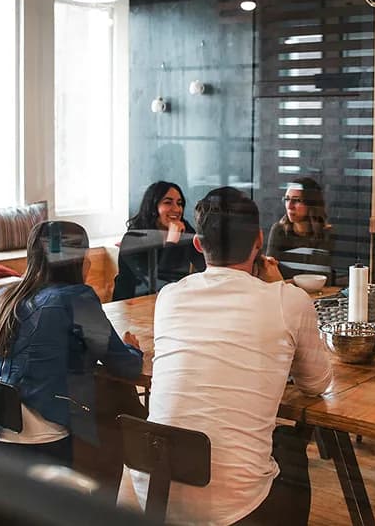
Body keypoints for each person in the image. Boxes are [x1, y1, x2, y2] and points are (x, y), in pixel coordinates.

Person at [131, 187, 332, 525]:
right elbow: (317, 383)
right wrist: (279, 286)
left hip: (155, 494)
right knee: (291, 449)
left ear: (198, 244)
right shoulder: (288, 300)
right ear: (259, 239)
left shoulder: (170, 297)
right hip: (234, 510)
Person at [0, 220, 143, 475]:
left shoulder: (3, 297)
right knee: (114, 410)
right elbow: (126, 365)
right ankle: (101, 506)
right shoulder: (76, 298)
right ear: (78, 259)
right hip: (43, 435)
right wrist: (132, 348)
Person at [112, 181, 206, 300]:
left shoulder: (184, 229)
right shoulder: (133, 238)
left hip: (171, 302)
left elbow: (205, 266)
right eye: (168, 203)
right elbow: (159, 284)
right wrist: (172, 242)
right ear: (153, 207)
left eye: (179, 203)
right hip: (132, 306)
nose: (177, 209)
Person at [266, 177, 333, 280]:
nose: (290, 206)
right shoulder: (279, 231)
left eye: (296, 200)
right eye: (287, 199)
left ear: (311, 204)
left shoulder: (326, 234)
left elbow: (321, 278)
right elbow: (269, 274)